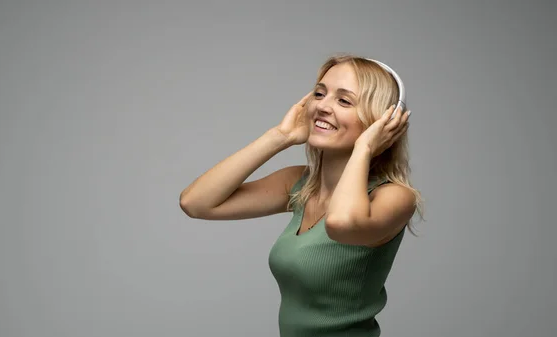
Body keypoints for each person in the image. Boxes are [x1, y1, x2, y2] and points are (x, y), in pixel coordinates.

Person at [179, 54, 424, 337]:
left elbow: (341, 224)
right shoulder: (299, 183)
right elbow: (195, 203)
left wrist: (365, 149)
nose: (322, 106)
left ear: (384, 121)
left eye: (344, 101)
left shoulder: (395, 197)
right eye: (319, 94)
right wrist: (279, 136)